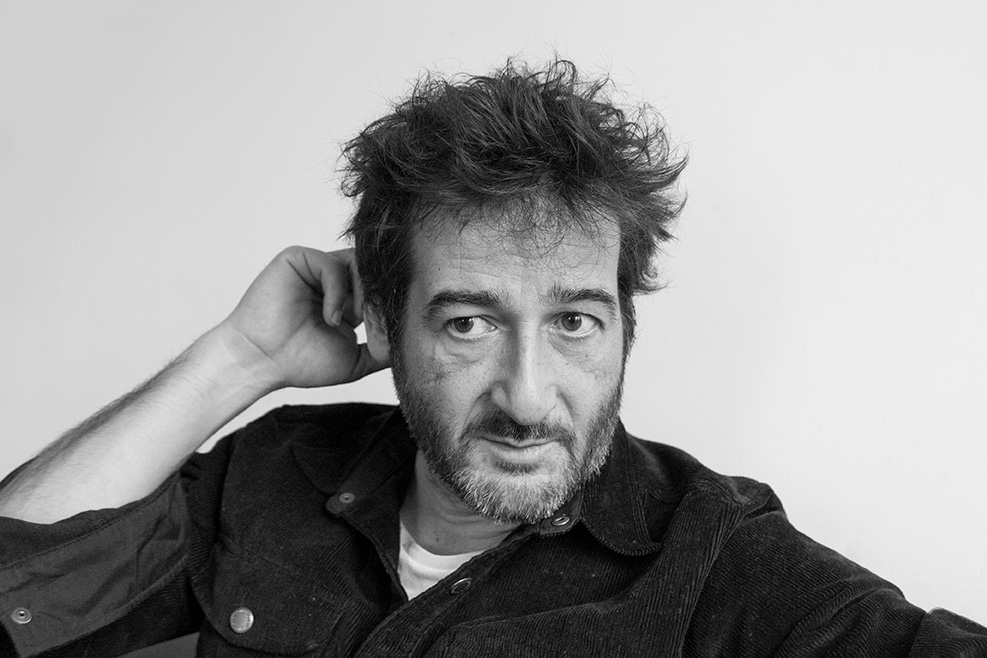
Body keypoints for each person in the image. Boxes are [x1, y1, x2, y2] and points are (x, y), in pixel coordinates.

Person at [0, 59, 984, 658]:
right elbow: (21, 594)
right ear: (382, 323)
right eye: (469, 324)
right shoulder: (272, 476)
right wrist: (239, 357)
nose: (526, 395)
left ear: (624, 329)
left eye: (575, 322)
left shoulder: (716, 555)